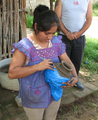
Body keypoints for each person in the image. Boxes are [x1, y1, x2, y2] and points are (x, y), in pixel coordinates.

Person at [8, 5, 78, 120]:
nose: (50, 37)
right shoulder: (25, 47)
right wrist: (37, 67)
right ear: (36, 26)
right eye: (46, 33)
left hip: (54, 93)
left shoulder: (56, 42)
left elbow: (67, 61)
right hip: (34, 97)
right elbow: (12, 73)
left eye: (53, 33)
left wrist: (75, 76)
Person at [54, 0, 92, 90]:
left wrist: (79, 33)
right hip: (63, 36)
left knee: (77, 60)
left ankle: (75, 80)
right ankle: (61, 81)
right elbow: (57, 18)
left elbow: (89, 19)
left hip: (80, 37)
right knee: (62, 62)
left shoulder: (87, 0)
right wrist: (67, 33)